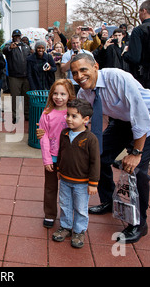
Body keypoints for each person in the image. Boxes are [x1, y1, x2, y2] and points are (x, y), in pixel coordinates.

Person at [71, 53, 150, 244]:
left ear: (95, 67)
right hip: (122, 122)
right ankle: (109, 201)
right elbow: (87, 123)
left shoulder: (117, 77)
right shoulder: (83, 93)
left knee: (137, 170)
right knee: (98, 156)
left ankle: (139, 224)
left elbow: (140, 115)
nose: (79, 76)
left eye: (83, 70)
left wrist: (135, 152)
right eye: (74, 72)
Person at [52, 98, 100, 248]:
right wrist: (59, 169)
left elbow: (95, 162)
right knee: (65, 204)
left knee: (80, 207)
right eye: (68, 115)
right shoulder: (64, 133)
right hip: (65, 179)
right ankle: (65, 226)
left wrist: (93, 183)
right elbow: (61, 153)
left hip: (82, 182)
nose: (69, 119)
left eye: (74, 116)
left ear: (85, 119)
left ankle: (79, 231)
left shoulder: (90, 139)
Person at [38, 79, 76, 228]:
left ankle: (68, 216)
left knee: (70, 189)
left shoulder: (73, 114)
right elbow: (44, 138)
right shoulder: (47, 113)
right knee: (50, 187)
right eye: (55, 93)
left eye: (62, 94)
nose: (58, 97)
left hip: (69, 159)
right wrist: (47, 159)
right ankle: (50, 214)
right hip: (52, 158)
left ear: (69, 95)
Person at [3, 29, 31, 123]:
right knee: (15, 98)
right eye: (15, 36)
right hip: (14, 76)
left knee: (26, 97)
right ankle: (15, 116)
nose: (17, 38)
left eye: (18, 36)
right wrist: (10, 47)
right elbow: (5, 50)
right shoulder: (9, 46)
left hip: (26, 76)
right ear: (12, 37)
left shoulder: (26, 47)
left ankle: (27, 114)